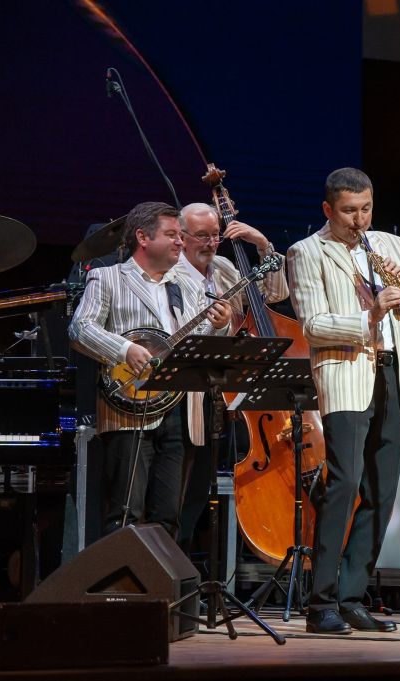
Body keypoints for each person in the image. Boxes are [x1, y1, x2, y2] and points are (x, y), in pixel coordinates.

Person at [286, 168, 400, 634]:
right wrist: (371, 313)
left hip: (394, 373)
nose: (360, 220)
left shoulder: (392, 245)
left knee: (381, 492)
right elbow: (313, 325)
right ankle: (321, 602)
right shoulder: (307, 251)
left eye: (366, 209)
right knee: (345, 484)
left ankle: (351, 597)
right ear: (328, 209)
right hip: (346, 374)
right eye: (349, 211)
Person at [69, 201, 231, 538]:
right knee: (125, 513)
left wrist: (220, 327)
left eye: (180, 235)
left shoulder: (190, 285)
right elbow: (80, 329)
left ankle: (163, 574)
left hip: (181, 411)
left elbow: (198, 345)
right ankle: (120, 574)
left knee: (169, 516)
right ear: (143, 238)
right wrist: (124, 349)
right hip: (127, 407)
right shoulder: (108, 278)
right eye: (172, 235)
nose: (180, 242)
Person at [172, 202, 289, 553]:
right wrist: (220, 326)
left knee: (199, 490)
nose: (211, 243)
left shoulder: (223, 267)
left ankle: (184, 559)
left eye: (215, 235)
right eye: (202, 236)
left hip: (223, 395)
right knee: (178, 487)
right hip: (185, 394)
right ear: (181, 236)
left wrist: (263, 245)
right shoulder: (170, 273)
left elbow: (275, 294)